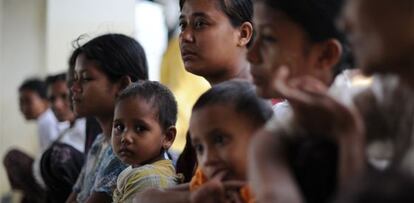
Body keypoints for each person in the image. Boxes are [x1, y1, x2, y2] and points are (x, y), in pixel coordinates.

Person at [246, 0, 363, 202]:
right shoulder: (276, 130)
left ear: (325, 55)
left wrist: (348, 132)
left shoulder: (375, 114)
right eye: (255, 36)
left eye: (269, 39)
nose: (251, 55)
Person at [133, 80, 273, 203]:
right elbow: (142, 198)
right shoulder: (208, 185)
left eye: (220, 140)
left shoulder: (275, 186)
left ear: (263, 138)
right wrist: (190, 199)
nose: (207, 159)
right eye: (200, 148)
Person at [65, 33, 148, 203]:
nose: (74, 88)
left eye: (86, 78)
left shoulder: (125, 151)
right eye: (75, 79)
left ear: (123, 86)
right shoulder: (100, 142)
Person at [111, 81, 181, 202]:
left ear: (167, 137)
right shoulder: (132, 170)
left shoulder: (147, 178)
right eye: (119, 127)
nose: (125, 137)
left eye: (140, 128)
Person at [3, 78, 62, 203]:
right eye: (20, 103)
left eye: (28, 102)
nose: (22, 108)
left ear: (45, 102)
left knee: (13, 157)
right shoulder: (47, 119)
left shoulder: (46, 121)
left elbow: (52, 158)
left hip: (53, 183)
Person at [178, 0, 254, 85]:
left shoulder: (264, 97)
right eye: (183, 25)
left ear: (243, 34)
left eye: (200, 23)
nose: (185, 36)